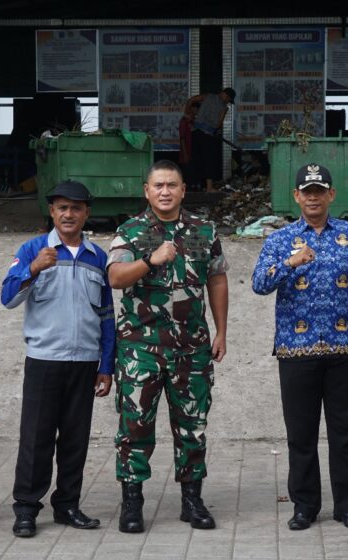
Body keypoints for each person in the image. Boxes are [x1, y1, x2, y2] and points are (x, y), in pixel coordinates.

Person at [251, 163, 348, 531]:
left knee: (346, 435)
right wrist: (289, 263)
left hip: (345, 350)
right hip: (296, 351)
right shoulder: (279, 240)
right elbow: (259, 284)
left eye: (319, 190)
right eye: (306, 191)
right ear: (296, 196)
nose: (313, 197)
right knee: (301, 436)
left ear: (331, 195)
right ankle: (304, 506)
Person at [107, 159, 228, 533]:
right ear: (147, 190)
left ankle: (191, 499)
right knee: (135, 426)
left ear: (183, 189)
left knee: (192, 425)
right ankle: (132, 502)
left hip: (191, 348)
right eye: (158, 185)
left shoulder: (204, 231)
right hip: (141, 348)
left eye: (171, 185)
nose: (164, 191)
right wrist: (149, 259)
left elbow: (217, 279)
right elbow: (114, 277)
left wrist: (221, 331)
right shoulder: (129, 231)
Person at [1, 180, 116, 538]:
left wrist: (106, 365)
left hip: (84, 361)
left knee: (75, 439)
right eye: (62, 208)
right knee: (36, 438)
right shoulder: (33, 249)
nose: (69, 214)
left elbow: (107, 315)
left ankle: (67, 505)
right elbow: (7, 297)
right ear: (51, 212)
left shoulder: (98, 257)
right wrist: (33, 269)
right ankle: (26, 509)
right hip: (44, 359)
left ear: (86, 214)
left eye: (76, 208)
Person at [186, 87, 236, 191]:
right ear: (225, 95)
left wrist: (188, 114)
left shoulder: (207, 97)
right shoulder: (224, 108)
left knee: (196, 160)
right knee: (209, 160)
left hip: (196, 132)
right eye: (228, 100)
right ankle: (209, 187)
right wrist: (217, 131)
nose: (228, 102)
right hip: (208, 135)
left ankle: (193, 186)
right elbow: (219, 124)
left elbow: (191, 100)